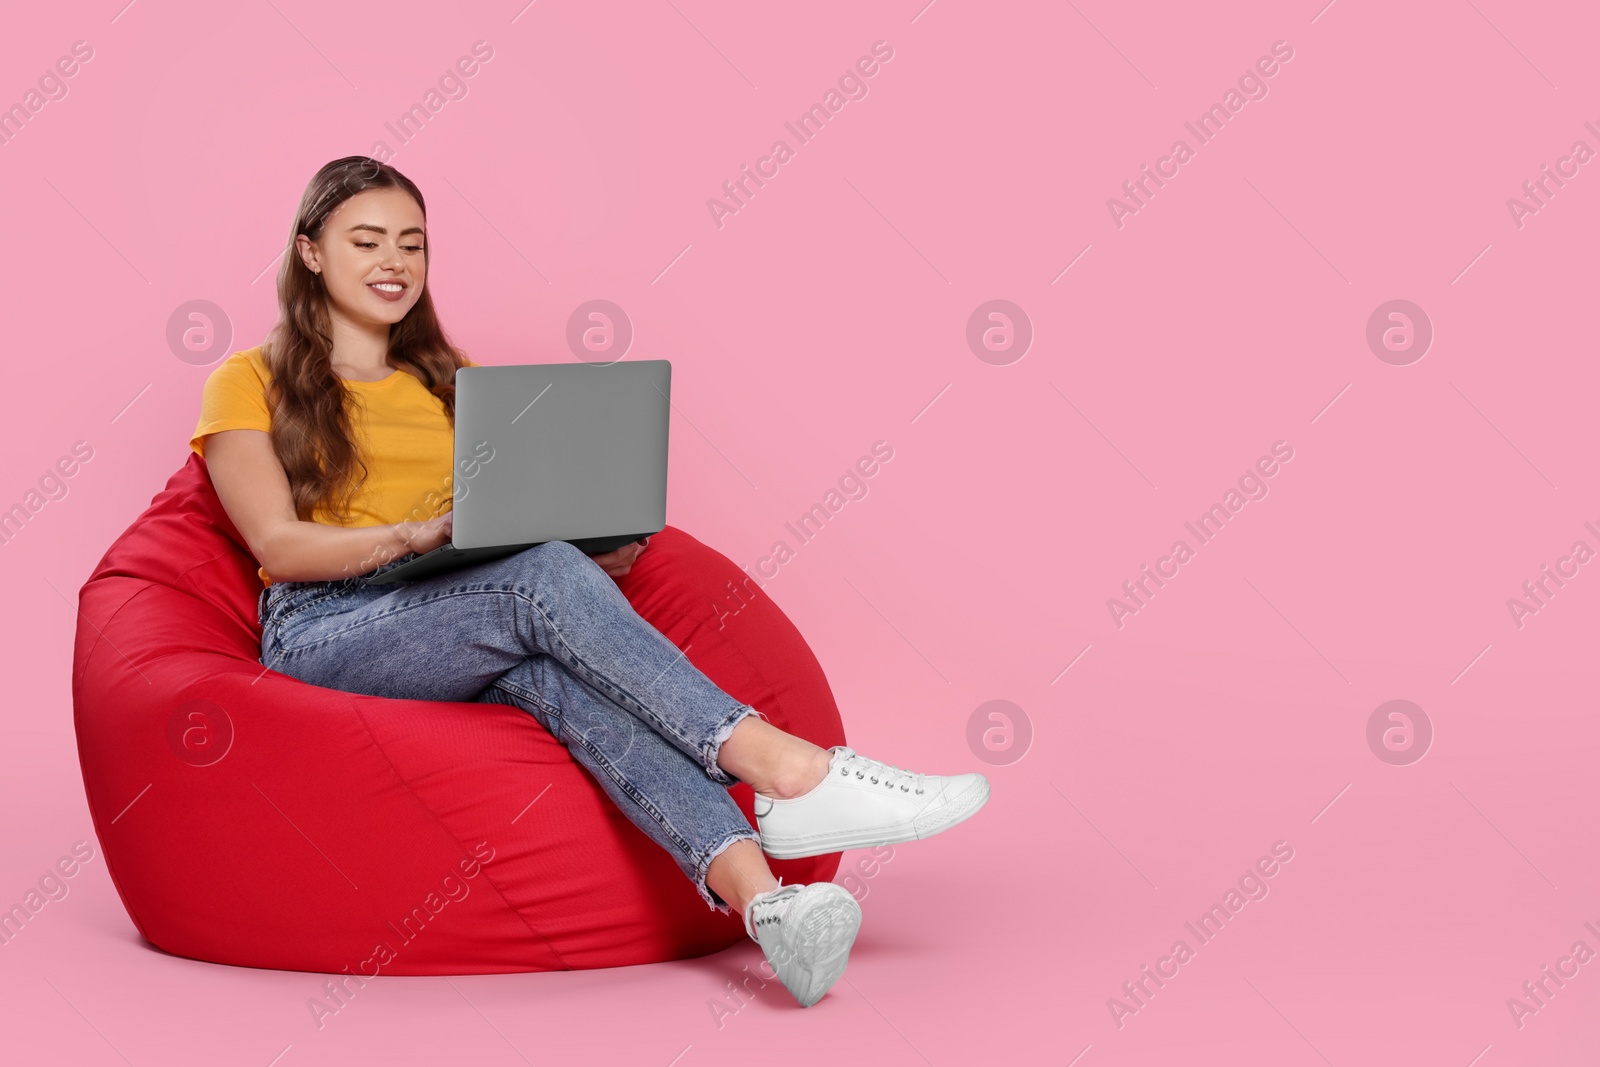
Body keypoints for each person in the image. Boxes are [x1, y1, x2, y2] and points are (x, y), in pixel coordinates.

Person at [189, 156, 991, 1008]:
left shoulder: (447, 380)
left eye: (413, 244)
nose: (395, 262)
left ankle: (771, 907)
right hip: (325, 629)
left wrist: (582, 547)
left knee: (553, 670)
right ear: (311, 252)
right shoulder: (247, 378)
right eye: (367, 241)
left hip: (446, 606)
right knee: (538, 576)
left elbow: (490, 525)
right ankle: (791, 772)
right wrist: (420, 536)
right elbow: (277, 539)